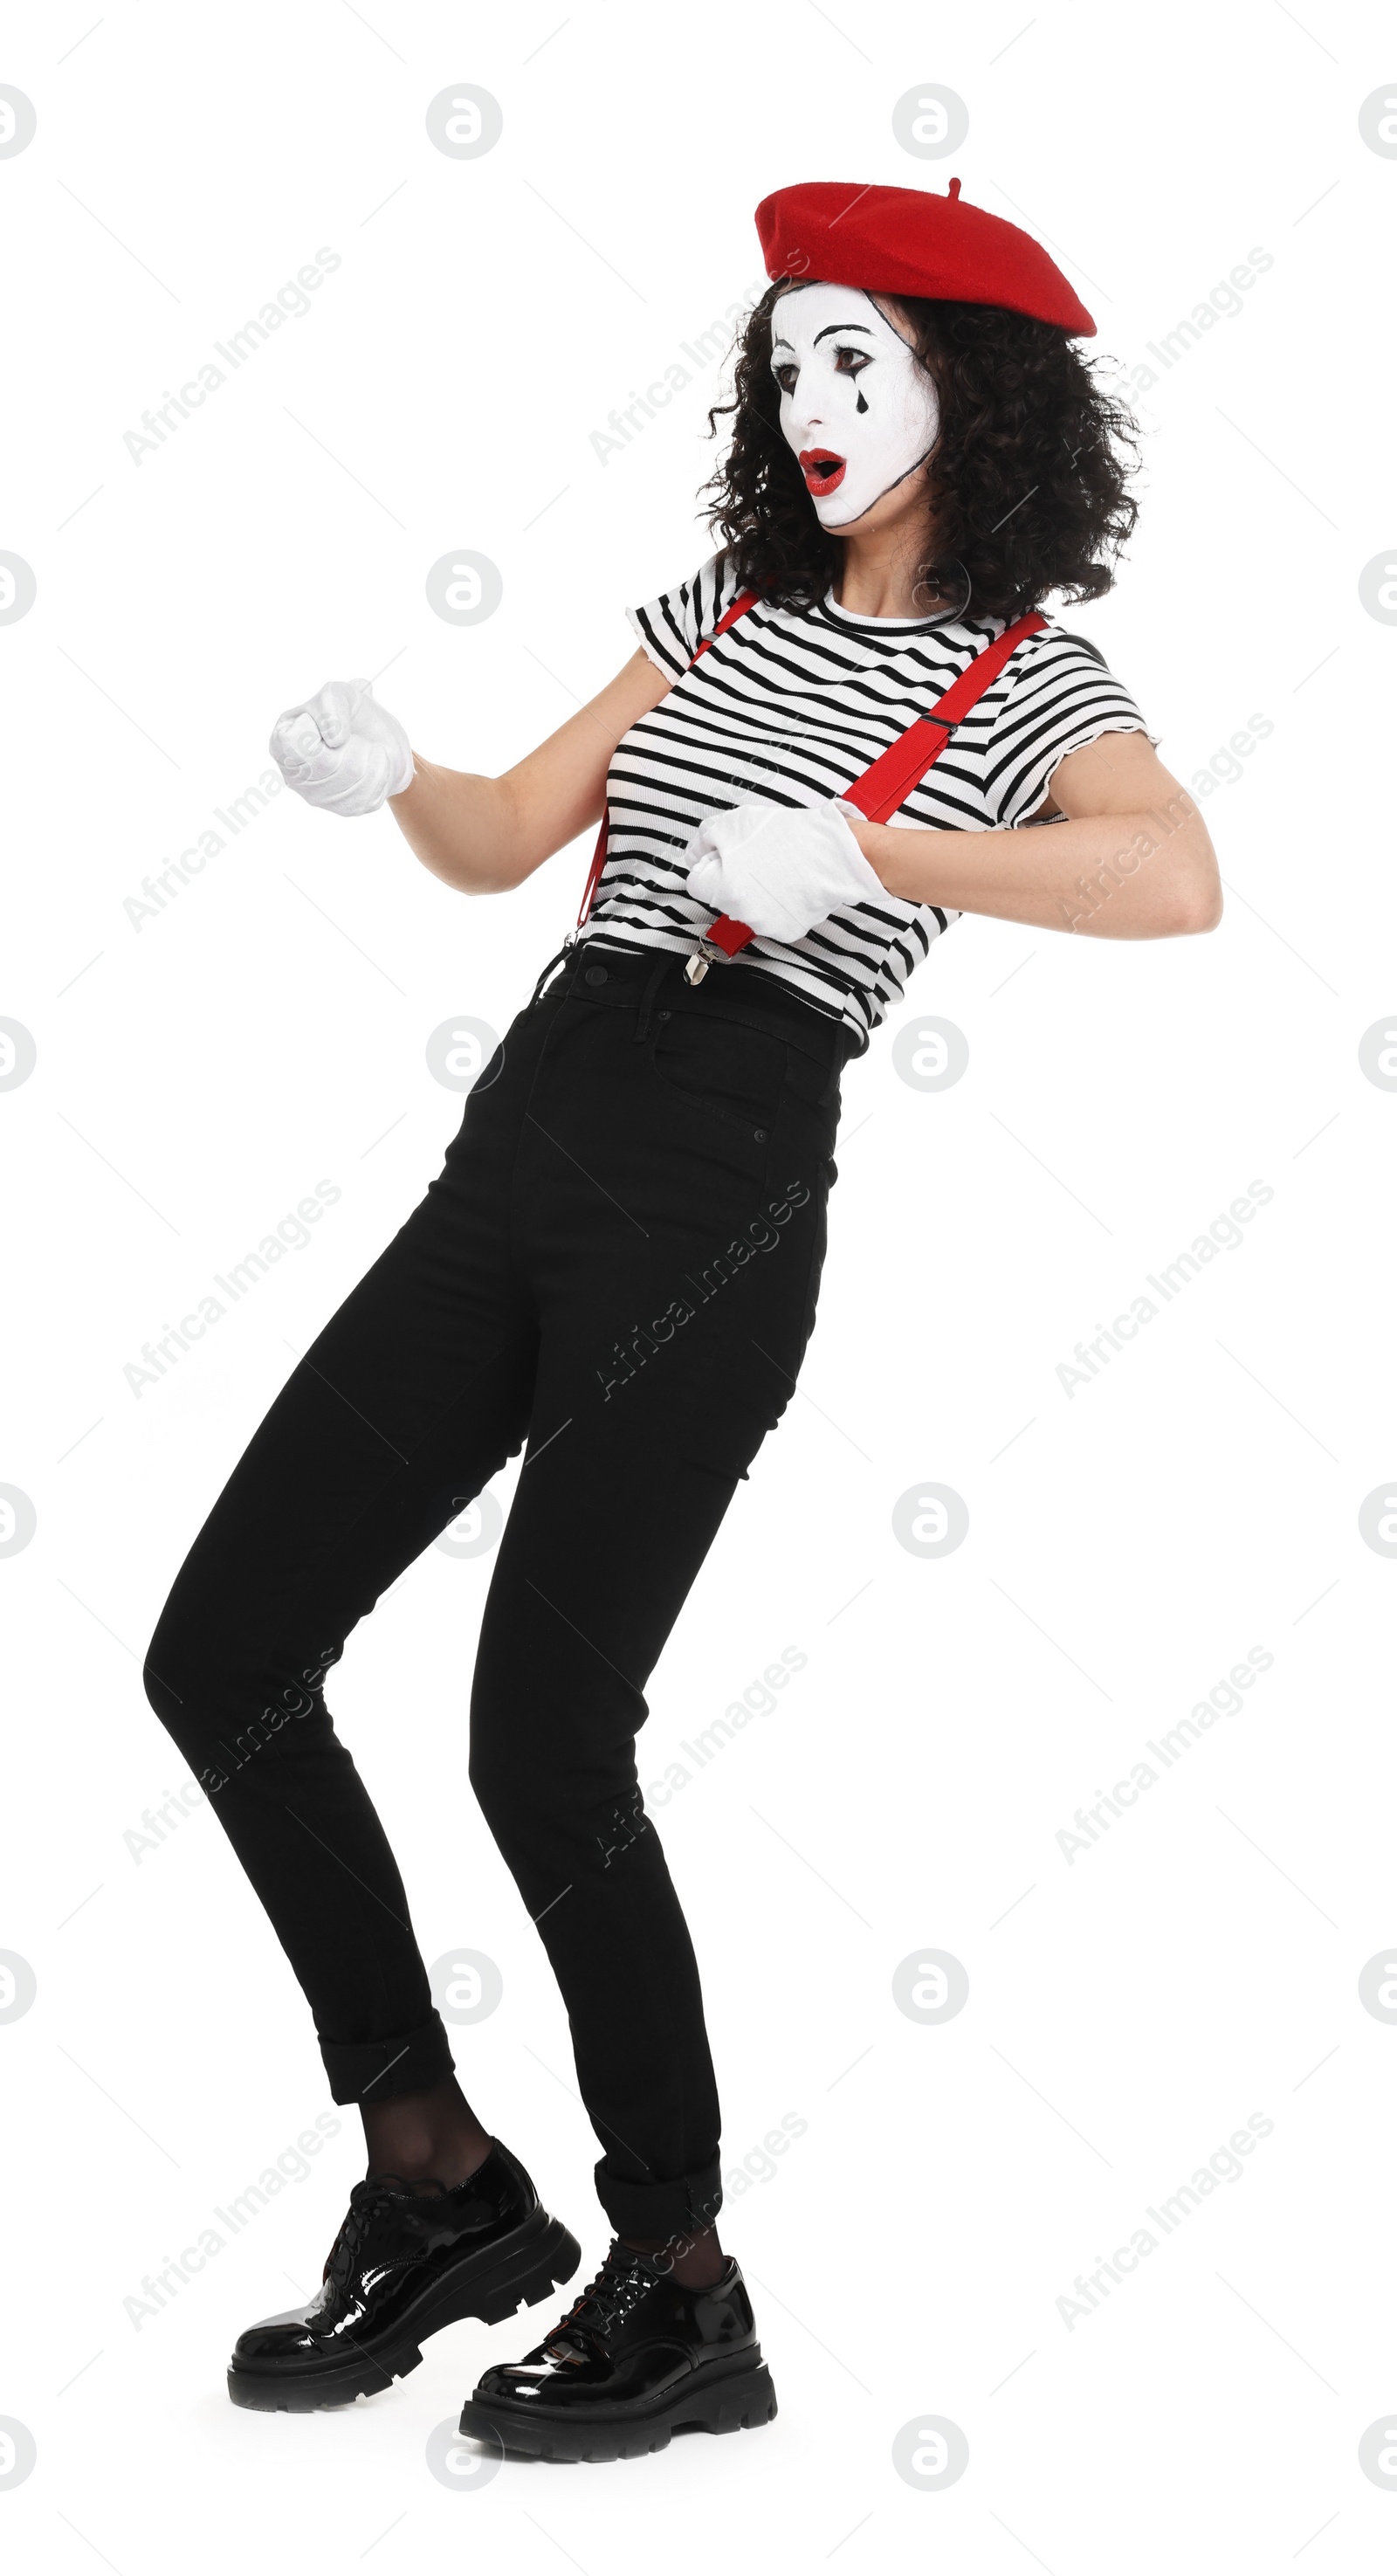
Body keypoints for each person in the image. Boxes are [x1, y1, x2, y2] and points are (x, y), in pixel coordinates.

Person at [142, 176, 1221, 2464]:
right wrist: (390, 781)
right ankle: (434, 2175)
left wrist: (879, 855)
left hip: (712, 1206)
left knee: (543, 1739)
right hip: (520, 1148)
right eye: (792, 358)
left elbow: (1176, 873)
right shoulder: (729, 605)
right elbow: (516, 826)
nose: (811, 396)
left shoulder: (1031, 677)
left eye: (861, 355)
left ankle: (684, 2280)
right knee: (224, 1651)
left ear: (975, 387)